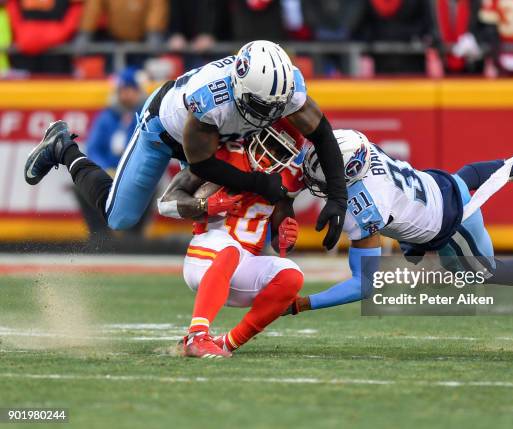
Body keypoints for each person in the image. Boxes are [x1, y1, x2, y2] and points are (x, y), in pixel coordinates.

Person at [23, 40, 347, 251]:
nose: (272, 115)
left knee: (242, 196)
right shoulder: (211, 100)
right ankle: (62, 147)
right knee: (119, 217)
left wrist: (337, 196)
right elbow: (201, 162)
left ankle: (262, 246)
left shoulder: (282, 88)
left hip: (224, 136)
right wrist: (259, 183)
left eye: (277, 106)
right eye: (264, 107)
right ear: (240, 88)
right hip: (165, 132)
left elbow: (322, 133)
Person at [285, 129, 513, 315]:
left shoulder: (366, 206)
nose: (315, 181)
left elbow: (364, 284)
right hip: (438, 186)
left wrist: (302, 304)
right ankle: (508, 165)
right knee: (462, 181)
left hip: (451, 222)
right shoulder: (358, 145)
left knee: (485, 273)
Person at [158, 120, 304, 358]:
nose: (272, 155)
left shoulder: (285, 180)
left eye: (282, 152)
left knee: (291, 275)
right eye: (272, 145)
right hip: (205, 258)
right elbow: (165, 203)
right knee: (231, 249)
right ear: (256, 136)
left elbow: (280, 239)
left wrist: (286, 235)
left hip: (242, 266)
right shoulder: (223, 156)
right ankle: (197, 336)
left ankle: (227, 343)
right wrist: (204, 205)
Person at [77, 67, 146, 240]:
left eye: (130, 90)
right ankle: (100, 235)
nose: (126, 95)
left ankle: (133, 237)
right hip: (108, 171)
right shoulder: (106, 117)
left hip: (135, 174)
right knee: (82, 183)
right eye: (123, 90)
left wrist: (128, 171)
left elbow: (149, 150)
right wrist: (105, 169)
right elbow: (93, 148)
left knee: (151, 185)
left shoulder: (146, 115)